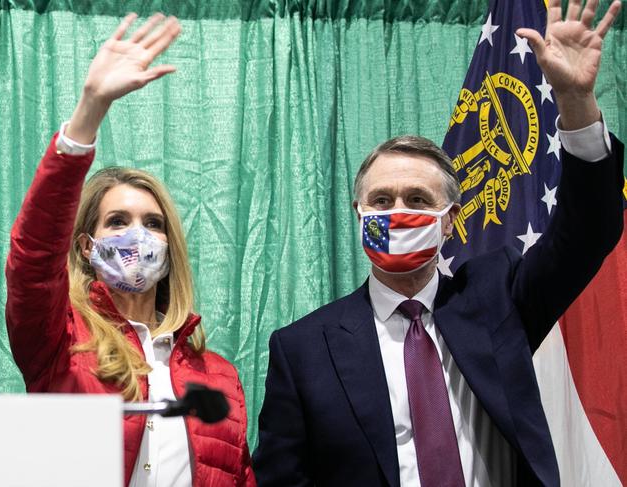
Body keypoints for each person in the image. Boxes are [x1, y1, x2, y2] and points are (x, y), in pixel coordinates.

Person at [253, 1, 624, 486]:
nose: (398, 210)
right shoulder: (302, 349)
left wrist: (575, 101)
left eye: (417, 198)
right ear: (359, 215)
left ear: (449, 221)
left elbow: (587, 233)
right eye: (381, 199)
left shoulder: (498, 300)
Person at [5, 13, 255, 487]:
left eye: (153, 224)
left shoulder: (219, 376)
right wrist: (89, 113)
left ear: (170, 246)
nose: (137, 236)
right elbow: (32, 260)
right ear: (86, 245)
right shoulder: (56, 343)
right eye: (117, 221)